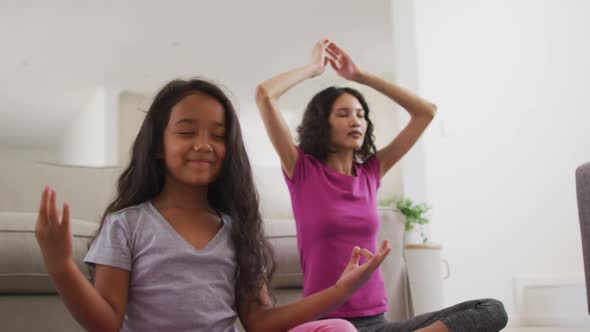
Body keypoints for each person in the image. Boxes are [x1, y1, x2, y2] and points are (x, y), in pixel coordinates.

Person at [34, 78, 392, 332]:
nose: (204, 144)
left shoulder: (237, 230)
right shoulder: (125, 225)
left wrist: (339, 291)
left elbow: (260, 321)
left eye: (219, 136)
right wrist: (61, 265)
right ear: (158, 146)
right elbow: (107, 321)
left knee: (340, 328)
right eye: (187, 132)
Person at [255, 39, 508, 332]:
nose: (356, 121)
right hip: (328, 325)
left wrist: (359, 76)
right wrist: (313, 68)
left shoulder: (371, 172)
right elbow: (264, 95)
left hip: (376, 323)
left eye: (361, 114)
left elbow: (425, 112)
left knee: (491, 310)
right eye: (344, 114)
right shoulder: (302, 171)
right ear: (321, 123)